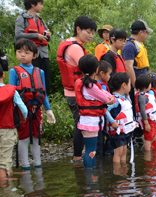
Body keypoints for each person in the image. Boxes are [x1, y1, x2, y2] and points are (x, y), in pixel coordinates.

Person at [56, 15, 97, 165]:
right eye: (88, 32)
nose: (91, 36)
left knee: (80, 123)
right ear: (78, 29)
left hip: (73, 92)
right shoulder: (74, 47)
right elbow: (87, 67)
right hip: (76, 94)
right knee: (81, 124)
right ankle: (77, 158)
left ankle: (79, 156)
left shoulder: (70, 44)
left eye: (93, 33)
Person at [10, 38, 55, 170]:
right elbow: (12, 92)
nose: (22, 55)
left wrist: (48, 109)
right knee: (23, 137)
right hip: (22, 109)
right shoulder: (15, 71)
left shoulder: (39, 72)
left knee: (36, 136)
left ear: (34, 55)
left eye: (26, 52)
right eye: (19, 52)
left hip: (37, 109)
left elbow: (43, 92)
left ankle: (37, 163)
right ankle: (25, 166)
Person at [74, 55, 115, 168]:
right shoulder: (91, 86)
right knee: (91, 151)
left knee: (91, 151)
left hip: (88, 121)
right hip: (90, 123)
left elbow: (107, 96)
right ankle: (90, 179)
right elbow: (107, 99)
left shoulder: (84, 83)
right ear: (96, 70)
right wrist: (110, 99)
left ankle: (91, 178)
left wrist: (110, 98)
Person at [14, 0, 51, 95]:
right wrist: (36, 36)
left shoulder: (41, 20)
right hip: (30, 54)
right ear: (33, 4)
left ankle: (45, 100)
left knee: (45, 79)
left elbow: (47, 38)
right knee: (33, 79)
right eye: (40, 4)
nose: (42, 6)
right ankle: (31, 98)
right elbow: (18, 34)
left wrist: (48, 36)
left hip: (43, 54)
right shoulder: (22, 18)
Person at [0, 65, 28, 182]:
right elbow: (24, 109)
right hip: (7, 128)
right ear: (3, 75)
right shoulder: (11, 91)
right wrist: (23, 118)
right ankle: (5, 186)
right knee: (5, 157)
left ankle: (9, 173)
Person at [106, 72, 136, 164]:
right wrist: (112, 121)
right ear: (124, 85)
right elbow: (105, 110)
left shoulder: (124, 98)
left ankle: (123, 172)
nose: (130, 86)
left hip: (125, 130)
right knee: (118, 152)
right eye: (129, 83)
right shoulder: (115, 99)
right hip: (118, 131)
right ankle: (118, 174)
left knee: (123, 151)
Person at [135, 74, 156, 151]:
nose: (151, 85)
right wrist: (146, 123)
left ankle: (148, 149)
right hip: (148, 121)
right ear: (146, 85)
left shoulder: (147, 95)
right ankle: (147, 155)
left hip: (153, 119)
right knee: (148, 139)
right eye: (150, 84)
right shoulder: (142, 97)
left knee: (154, 136)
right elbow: (142, 111)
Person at [122, 20, 152, 87]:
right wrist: (135, 86)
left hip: (141, 84)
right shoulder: (130, 45)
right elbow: (128, 67)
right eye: (147, 32)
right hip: (134, 86)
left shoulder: (137, 44)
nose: (147, 35)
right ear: (141, 32)